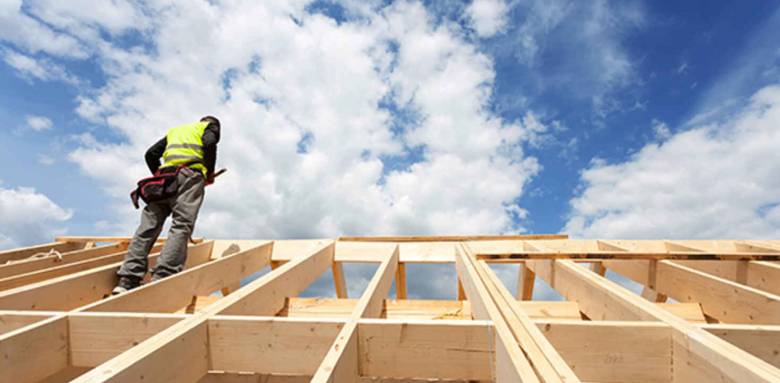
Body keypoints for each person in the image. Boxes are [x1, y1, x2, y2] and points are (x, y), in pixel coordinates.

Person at [112, 116, 221, 294]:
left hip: (163, 180)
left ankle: (128, 279)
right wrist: (208, 174)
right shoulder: (209, 128)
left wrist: (159, 173)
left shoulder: (176, 131)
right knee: (181, 225)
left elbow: (151, 154)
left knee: (147, 227)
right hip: (189, 177)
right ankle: (163, 276)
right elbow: (209, 144)